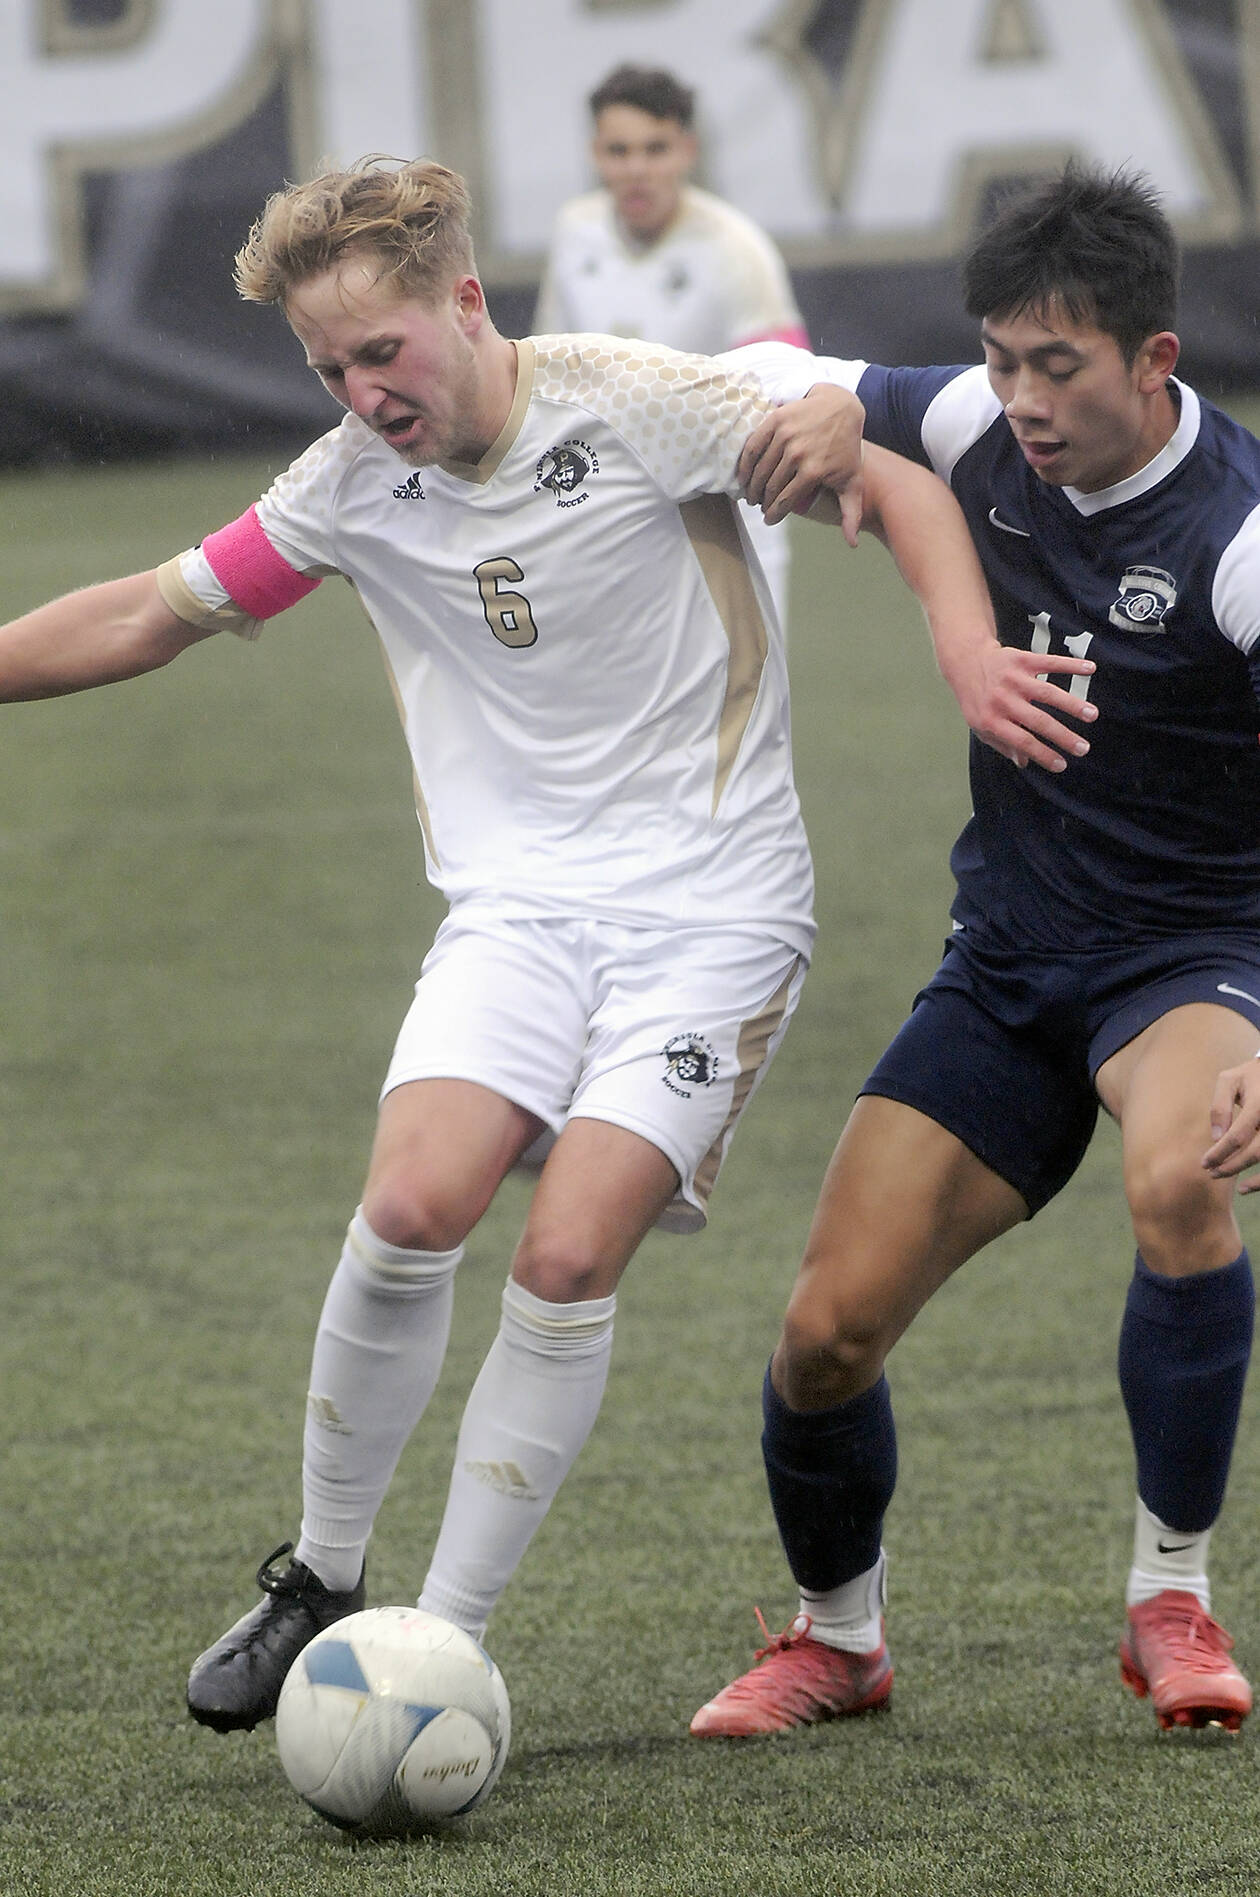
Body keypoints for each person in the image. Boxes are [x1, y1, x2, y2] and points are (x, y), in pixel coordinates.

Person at [0, 156, 1047, 1737]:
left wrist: (966, 651)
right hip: (517, 910)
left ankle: (440, 1643)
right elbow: (151, 612)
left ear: (464, 303)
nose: (362, 395)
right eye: (328, 369)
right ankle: (323, 1579)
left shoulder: (634, 402)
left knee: (565, 1252)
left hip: (714, 913)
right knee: (412, 1202)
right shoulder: (348, 485)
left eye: (383, 355)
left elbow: (894, 471)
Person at [691, 162, 1260, 1739]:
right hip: (1008, 964)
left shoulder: (1238, 539)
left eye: (1055, 367)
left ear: (1157, 361)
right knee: (824, 1334)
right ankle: (840, 1639)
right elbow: (777, 385)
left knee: (1179, 1179)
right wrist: (813, 413)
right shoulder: (967, 423)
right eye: (998, 359)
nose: (1016, 399)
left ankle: (1173, 1598)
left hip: (1193, 959)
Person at [535, 62, 810, 624]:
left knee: (747, 697)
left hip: (729, 512)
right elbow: (543, 368)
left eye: (655, 149)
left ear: (687, 149)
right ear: (595, 153)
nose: (636, 170)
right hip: (603, 509)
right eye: (619, 150)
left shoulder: (736, 247)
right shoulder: (573, 232)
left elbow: (789, 381)